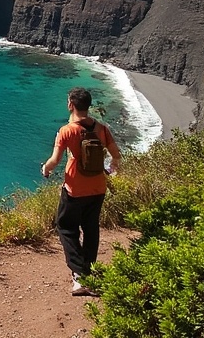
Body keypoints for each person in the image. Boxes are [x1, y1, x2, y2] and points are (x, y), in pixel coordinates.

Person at [41, 86, 122, 296]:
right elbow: (116, 155)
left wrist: (45, 169)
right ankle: (90, 271)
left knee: (66, 227)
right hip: (98, 188)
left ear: (70, 105)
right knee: (91, 228)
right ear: (88, 105)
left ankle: (80, 275)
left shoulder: (66, 131)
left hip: (74, 189)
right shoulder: (102, 129)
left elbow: (55, 160)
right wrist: (111, 169)